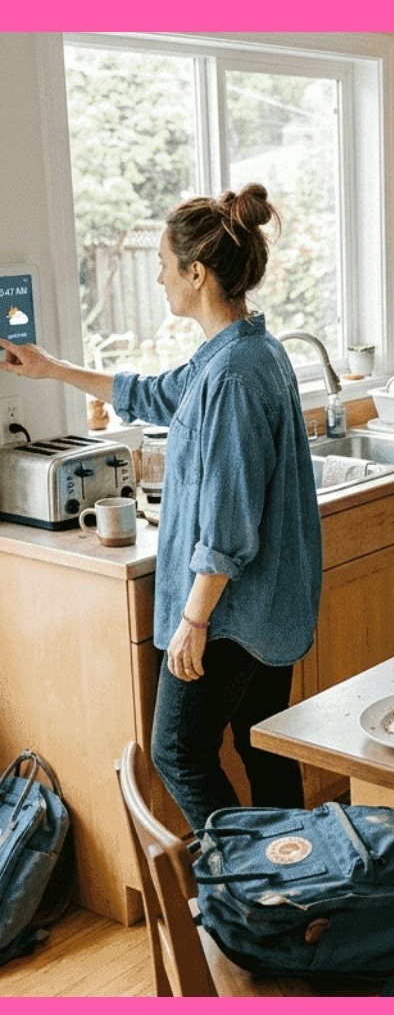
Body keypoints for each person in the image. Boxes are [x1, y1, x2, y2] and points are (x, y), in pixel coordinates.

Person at [0, 184, 322, 833]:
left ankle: (251, 889)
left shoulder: (231, 376)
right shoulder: (247, 351)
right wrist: (51, 369)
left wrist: (194, 619)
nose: (157, 276)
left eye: (162, 263)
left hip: (231, 613)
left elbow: (229, 523)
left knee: (179, 753)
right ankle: (298, 888)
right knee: (265, 750)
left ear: (196, 273)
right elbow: (152, 393)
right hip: (269, 611)